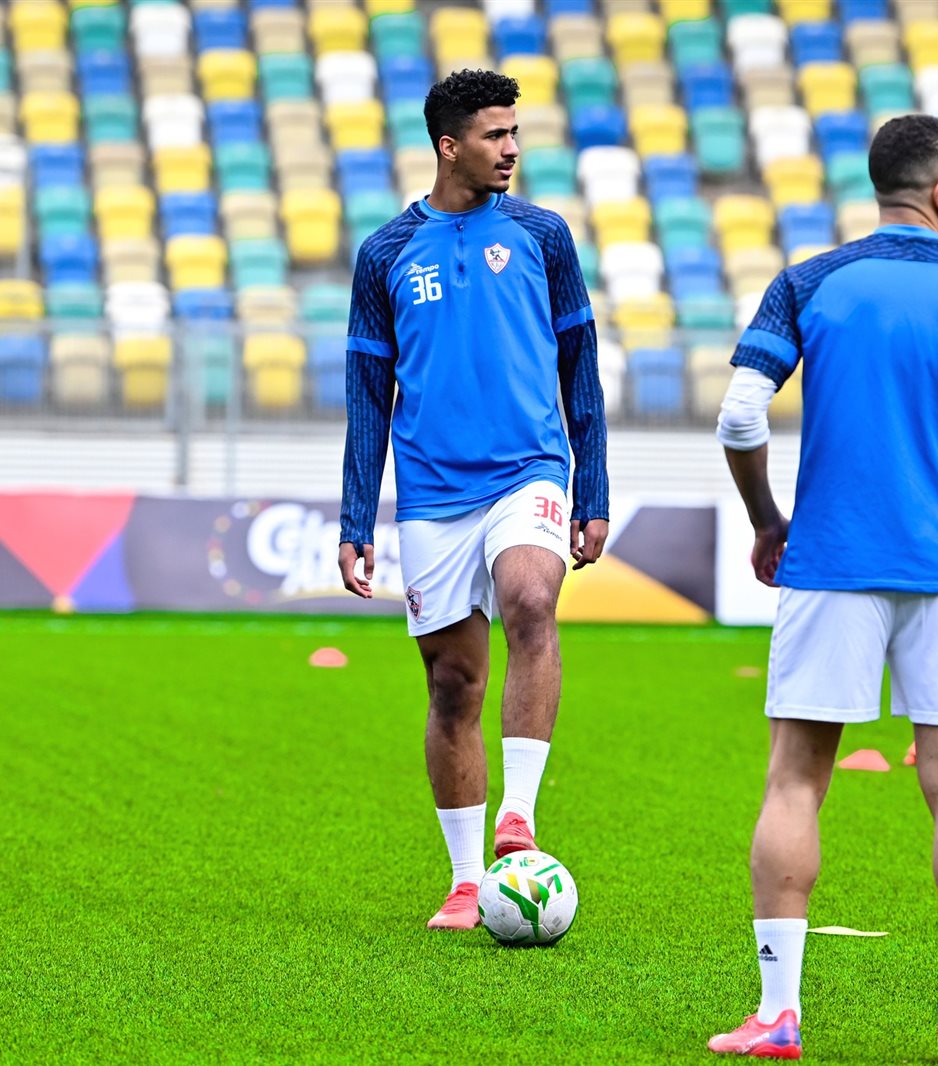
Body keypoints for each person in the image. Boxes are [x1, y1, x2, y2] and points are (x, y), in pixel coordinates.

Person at [707, 115, 938, 1064]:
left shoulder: (810, 281)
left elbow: (740, 416)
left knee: (795, 780)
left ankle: (778, 1014)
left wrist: (768, 521)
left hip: (830, 562)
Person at [338, 69, 609, 932]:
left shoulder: (543, 235)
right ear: (449, 146)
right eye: (496, 135)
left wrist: (592, 486)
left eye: (515, 132)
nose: (512, 149)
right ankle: (465, 882)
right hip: (430, 493)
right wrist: (356, 517)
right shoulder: (385, 254)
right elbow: (367, 395)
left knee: (530, 597)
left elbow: (581, 369)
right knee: (453, 683)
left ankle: (517, 818)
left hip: (529, 469)